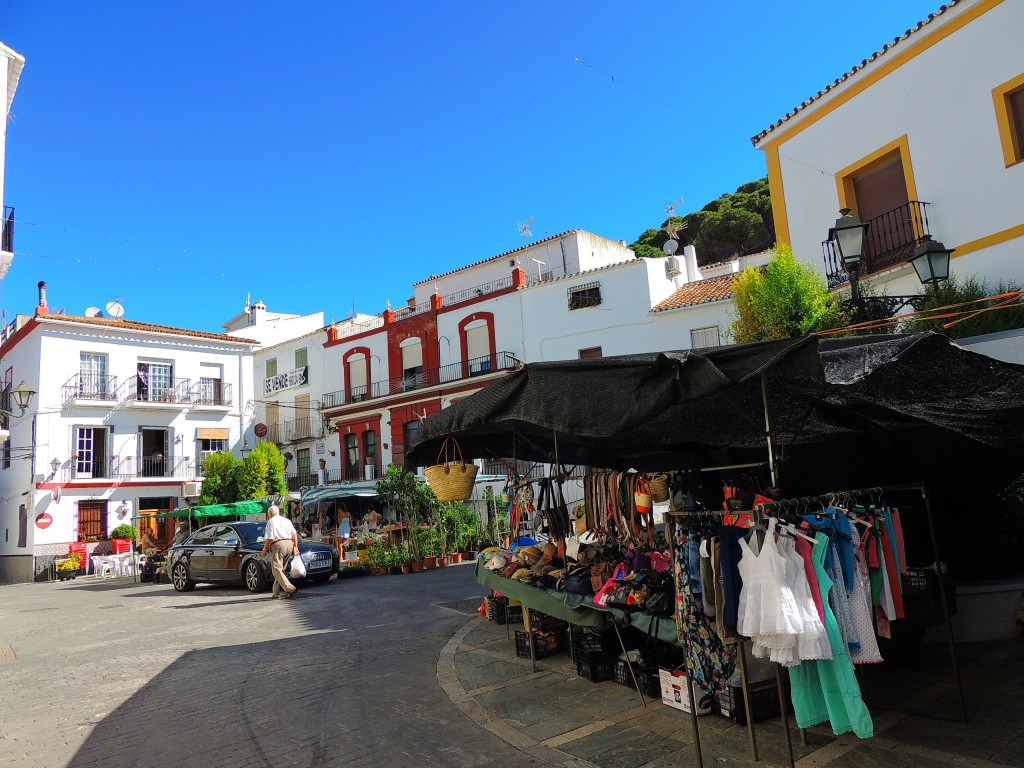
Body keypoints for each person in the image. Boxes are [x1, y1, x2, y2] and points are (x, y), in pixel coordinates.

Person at [260, 504, 299, 598]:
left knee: (277, 570)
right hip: (289, 544)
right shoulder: (286, 520)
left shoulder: (271, 521)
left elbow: (270, 538)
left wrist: (264, 549)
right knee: (280, 570)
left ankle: (290, 588)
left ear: (270, 513)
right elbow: (294, 534)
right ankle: (275, 593)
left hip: (278, 545)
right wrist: (295, 547)